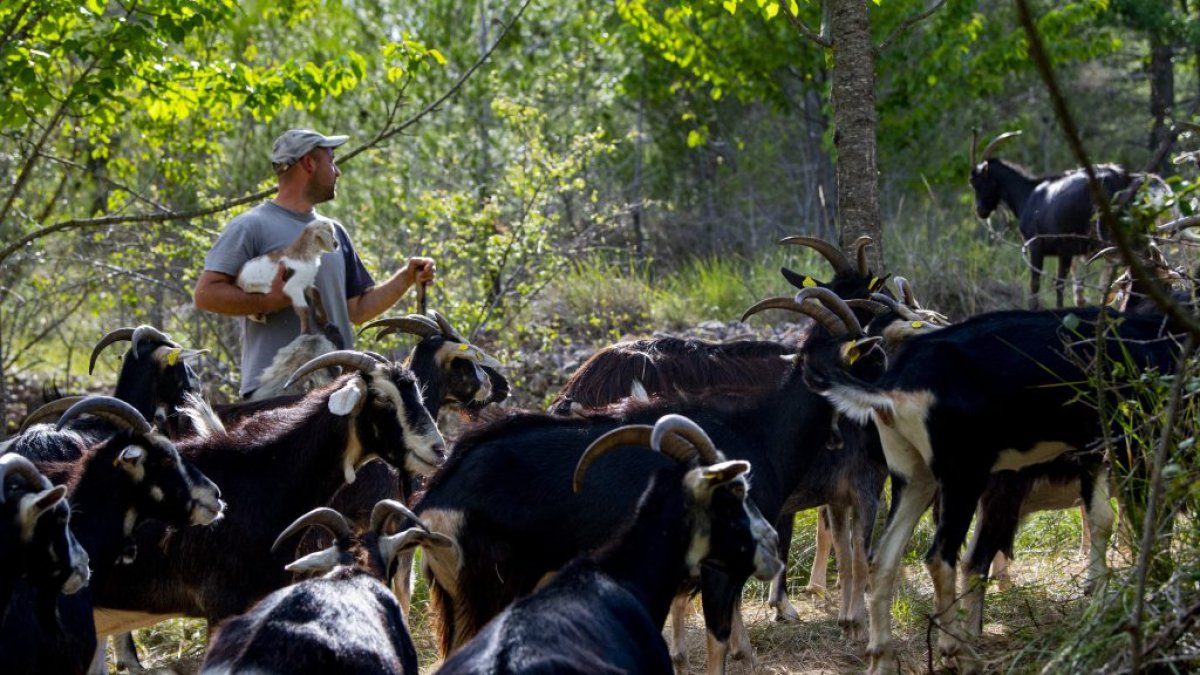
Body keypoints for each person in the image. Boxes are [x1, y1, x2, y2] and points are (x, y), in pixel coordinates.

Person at [194, 128, 435, 398]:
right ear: (309, 163)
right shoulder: (251, 227)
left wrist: (406, 278)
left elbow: (356, 310)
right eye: (331, 160)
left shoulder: (333, 232)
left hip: (338, 396)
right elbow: (206, 294)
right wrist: (268, 302)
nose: (337, 171)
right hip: (274, 398)